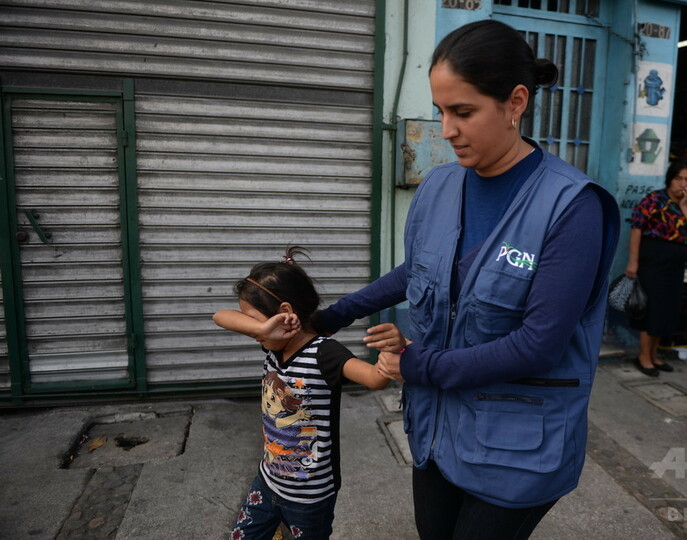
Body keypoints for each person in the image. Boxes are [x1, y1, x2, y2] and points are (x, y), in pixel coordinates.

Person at [312, 20, 620, 540]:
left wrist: (416, 363)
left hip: (518, 447)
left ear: (515, 103)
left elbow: (539, 345)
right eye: (440, 111)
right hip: (437, 429)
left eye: (463, 112)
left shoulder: (571, 208)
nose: (446, 130)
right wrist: (331, 315)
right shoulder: (442, 182)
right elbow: (421, 271)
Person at [212, 247, 394, 540]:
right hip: (267, 480)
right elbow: (220, 316)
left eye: (256, 322)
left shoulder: (324, 352)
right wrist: (264, 327)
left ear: (285, 313)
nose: (254, 332)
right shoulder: (272, 342)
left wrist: (391, 353)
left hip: (310, 497)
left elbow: (375, 379)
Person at [624, 160, 687, 376]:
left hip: (674, 265)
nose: (683, 183)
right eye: (678, 178)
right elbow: (636, 229)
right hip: (652, 263)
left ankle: (654, 355)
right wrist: (633, 262)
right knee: (651, 308)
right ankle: (643, 357)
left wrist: (684, 206)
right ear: (670, 179)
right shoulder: (654, 199)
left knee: (666, 309)